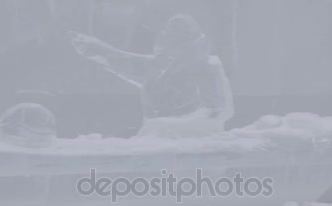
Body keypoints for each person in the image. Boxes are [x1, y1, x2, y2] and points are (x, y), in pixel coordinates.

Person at [71, 15, 234, 137]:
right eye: (167, 32)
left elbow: (217, 112)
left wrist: (168, 126)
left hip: (193, 147)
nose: (164, 36)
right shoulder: (159, 66)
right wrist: (96, 48)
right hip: (157, 140)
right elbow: (122, 60)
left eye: (173, 34)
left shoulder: (207, 66)